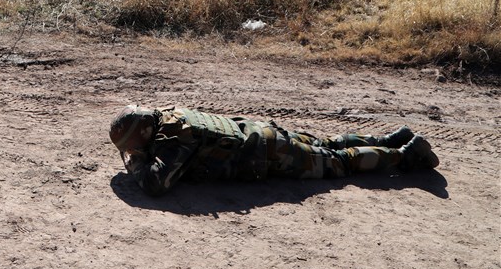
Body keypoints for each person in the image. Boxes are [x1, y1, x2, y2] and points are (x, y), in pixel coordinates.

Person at [109, 104, 439, 196]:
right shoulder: (171, 115)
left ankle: (405, 154)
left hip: (269, 153)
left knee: (339, 164)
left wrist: (136, 163)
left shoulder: (171, 140)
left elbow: (156, 184)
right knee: (328, 144)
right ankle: (392, 138)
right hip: (262, 133)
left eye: (133, 146)